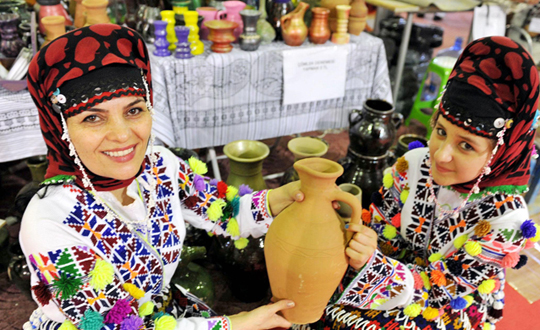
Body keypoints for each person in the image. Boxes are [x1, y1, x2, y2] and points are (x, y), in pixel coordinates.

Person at [20, 24, 371, 330]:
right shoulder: (50, 221)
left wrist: (290, 195)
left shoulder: (159, 166)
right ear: (59, 128)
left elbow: (225, 211)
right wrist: (237, 323)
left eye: (134, 110)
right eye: (93, 118)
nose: (123, 135)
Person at [309, 36, 540, 330]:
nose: (441, 155)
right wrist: (364, 245)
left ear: (500, 152)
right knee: (315, 289)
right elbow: (379, 229)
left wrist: (374, 268)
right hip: (386, 271)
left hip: (445, 305)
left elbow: (441, 293)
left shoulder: (506, 220)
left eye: (466, 146)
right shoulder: (415, 164)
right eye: (441, 131)